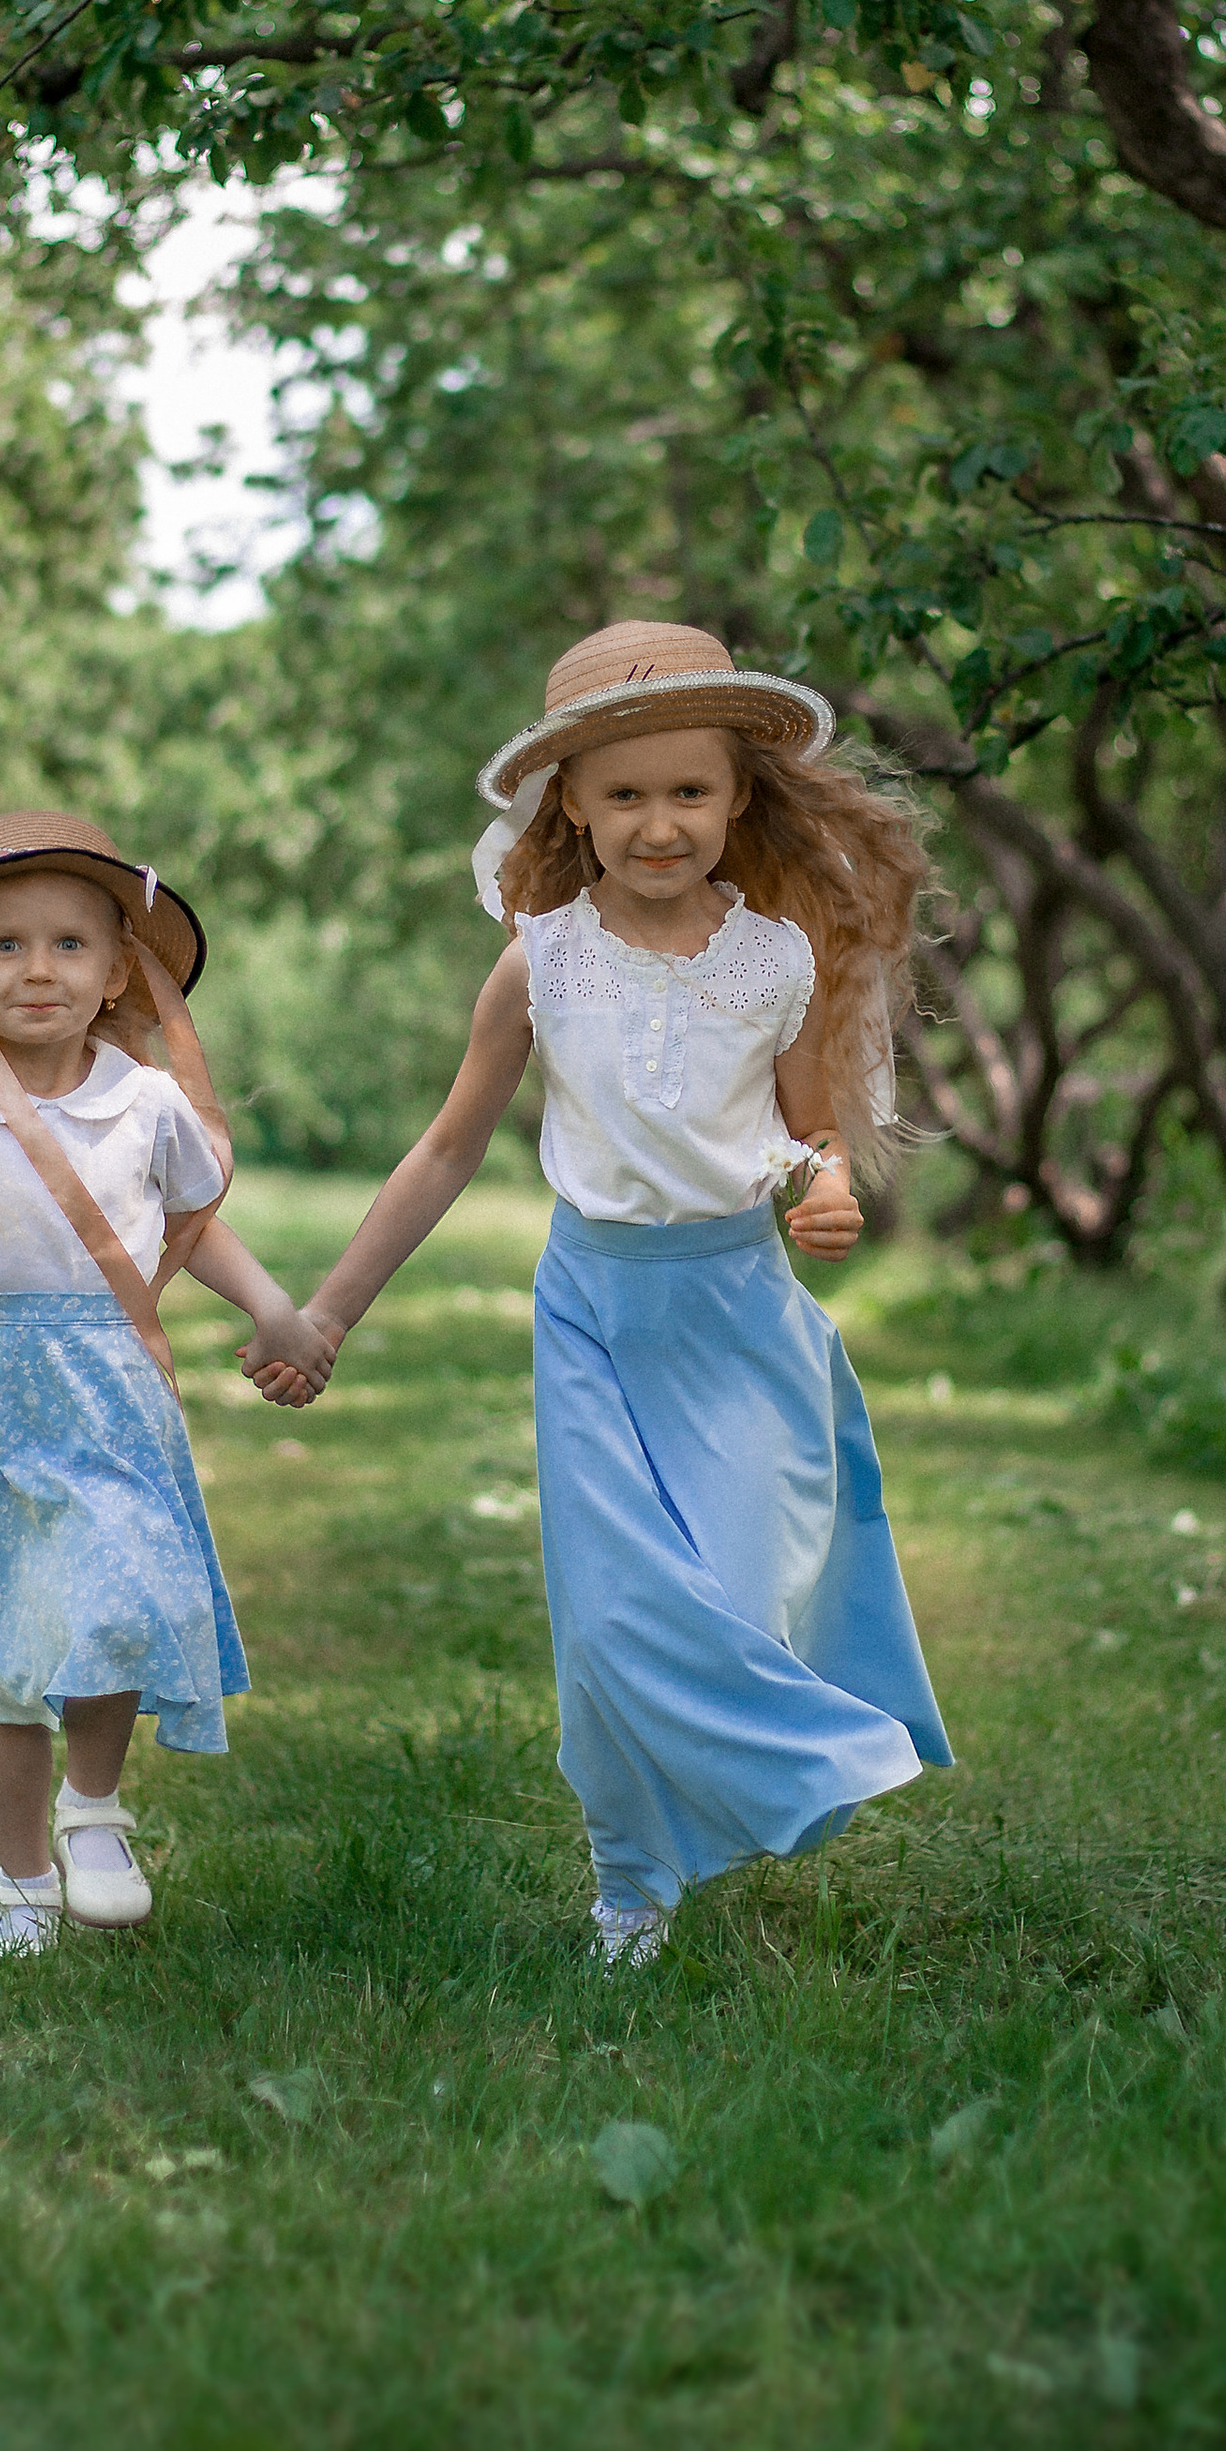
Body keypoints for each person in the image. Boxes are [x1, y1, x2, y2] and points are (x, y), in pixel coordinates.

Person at [283, 624, 953, 1966]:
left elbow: (809, 1132)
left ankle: (797, 1760)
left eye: (689, 791)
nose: (660, 824)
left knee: (739, 1597)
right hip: (595, 1314)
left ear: (738, 796)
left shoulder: (775, 961)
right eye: (625, 793)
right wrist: (328, 1312)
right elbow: (447, 1149)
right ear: (571, 805)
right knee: (611, 1624)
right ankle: (631, 1886)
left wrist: (825, 1185)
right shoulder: (540, 962)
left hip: (739, 1318)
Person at [0, 810, 327, 1955]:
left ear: (115, 973)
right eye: (4, 944)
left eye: (68, 944)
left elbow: (193, 1230)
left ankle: (93, 1810)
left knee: (123, 1592)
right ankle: (20, 1881)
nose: (37, 968)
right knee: (6, 1647)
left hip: (109, 1385)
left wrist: (273, 1308)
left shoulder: (145, 1103)